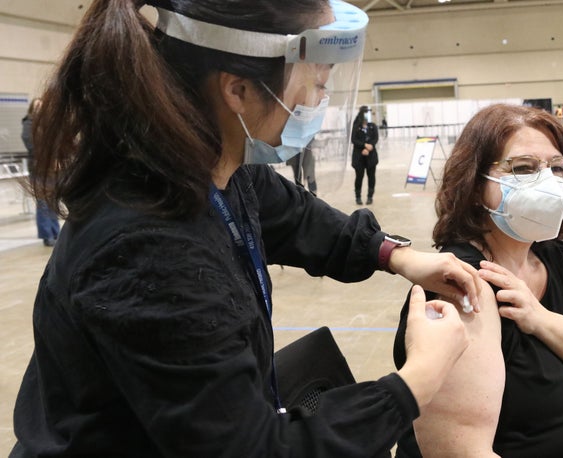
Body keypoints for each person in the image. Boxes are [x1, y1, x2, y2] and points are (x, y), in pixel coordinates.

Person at [10, 1, 489, 456]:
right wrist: (417, 381)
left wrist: (394, 255)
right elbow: (253, 448)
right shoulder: (148, 249)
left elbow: (297, 216)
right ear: (237, 89)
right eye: (316, 75)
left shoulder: (212, 163)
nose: (322, 90)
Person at [393, 104, 563, 457]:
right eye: (524, 168)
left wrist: (539, 318)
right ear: (474, 185)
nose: (548, 182)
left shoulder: (558, 260)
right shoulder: (460, 285)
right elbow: (459, 451)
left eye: (557, 167)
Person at [20, 98, 60, 247]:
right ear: (32, 108)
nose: (39, 109)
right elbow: (30, 143)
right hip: (39, 168)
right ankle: (47, 235)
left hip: (53, 169)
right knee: (43, 202)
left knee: (53, 201)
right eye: (37, 106)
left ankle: (56, 232)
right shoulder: (28, 123)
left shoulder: (49, 124)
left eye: (42, 106)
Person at [351, 105, 379, 205]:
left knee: (371, 176)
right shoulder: (356, 127)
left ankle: (370, 196)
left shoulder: (373, 126)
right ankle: (358, 196)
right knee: (359, 176)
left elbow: (375, 138)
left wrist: (369, 146)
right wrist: (363, 146)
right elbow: (354, 140)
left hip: (371, 156)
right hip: (359, 156)